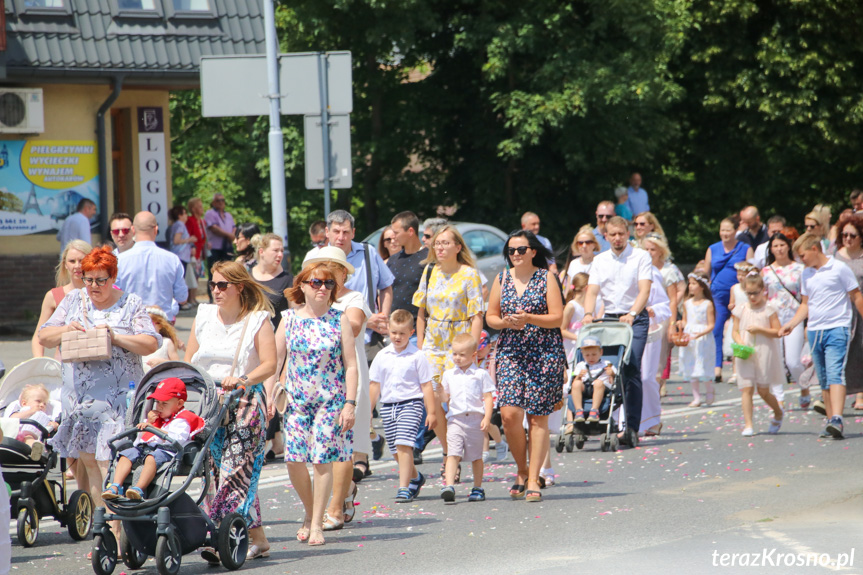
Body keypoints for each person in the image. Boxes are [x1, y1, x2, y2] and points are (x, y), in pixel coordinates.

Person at [38, 246, 161, 507]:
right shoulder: (73, 300)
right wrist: (65, 329)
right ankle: (102, 529)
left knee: (110, 465)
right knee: (91, 464)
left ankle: (120, 538)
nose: (93, 285)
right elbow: (44, 336)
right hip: (81, 402)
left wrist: (116, 337)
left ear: (113, 278)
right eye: (88, 278)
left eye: (100, 280)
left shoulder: (131, 303)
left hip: (116, 402)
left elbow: (151, 343)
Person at [186, 260, 277, 561]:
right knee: (215, 472)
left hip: (245, 403)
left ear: (239, 287)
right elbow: (190, 362)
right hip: (210, 403)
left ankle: (218, 539)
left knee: (233, 472)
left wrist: (242, 379)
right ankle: (258, 539)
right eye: (212, 284)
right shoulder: (203, 316)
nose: (216, 290)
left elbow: (269, 364)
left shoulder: (256, 320)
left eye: (222, 285)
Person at [278, 263, 358, 547]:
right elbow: (275, 363)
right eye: (316, 283)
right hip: (297, 401)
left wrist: (349, 403)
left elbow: (350, 365)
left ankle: (315, 525)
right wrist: (269, 396)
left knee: (321, 459)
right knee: (293, 459)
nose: (322, 288)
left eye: (328, 284)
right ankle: (312, 511)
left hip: (331, 402)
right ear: (302, 286)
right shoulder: (287, 319)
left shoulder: (340, 319)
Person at [486, 230, 565, 502]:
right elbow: (491, 317)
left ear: (533, 251)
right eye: (511, 250)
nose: (516, 254)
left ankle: (533, 478)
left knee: (537, 417)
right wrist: (506, 322)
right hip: (510, 352)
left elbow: (557, 318)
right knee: (509, 415)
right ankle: (521, 469)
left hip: (544, 352)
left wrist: (529, 317)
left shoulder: (547, 278)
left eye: (521, 249)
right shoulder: (502, 278)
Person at [296, 247, 369, 529]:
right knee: (311, 452)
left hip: (346, 377)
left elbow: (354, 324)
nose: (324, 276)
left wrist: (324, 313)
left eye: (331, 269)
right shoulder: (306, 302)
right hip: (309, 382)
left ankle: (336, 508)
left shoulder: (351, 298)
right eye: (317, 270)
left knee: (340, 446)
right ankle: (337, 496)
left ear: (342, 273)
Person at [413, 225, 484, 470]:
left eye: (445, 243)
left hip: (459, 342)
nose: (440, 247)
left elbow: (476, 315)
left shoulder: (469, 274)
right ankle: (448, 450)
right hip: (433, 343)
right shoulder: (430, 271)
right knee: (431, 396)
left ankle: (464, 448)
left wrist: (472, 351)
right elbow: (421, 312)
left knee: (454, 399)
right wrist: (421, 346)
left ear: (457, 247)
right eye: (437, 243)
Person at [779, 232, 863, 439]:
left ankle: (837, 418)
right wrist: (792, 324)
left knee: (836, 372)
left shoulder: (839, 269)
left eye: (803, 255)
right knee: (823, 377)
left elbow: (856, 296)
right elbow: (805, 305)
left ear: (815, 249)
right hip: (816, 329)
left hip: (838, 327)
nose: (801, 260)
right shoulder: (806, 274)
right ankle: (830, 421)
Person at [583, 216, 652, 447]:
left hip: (635, 318)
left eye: (621, 233)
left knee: (631, 367)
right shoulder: (600, 260)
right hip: (610, 318)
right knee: (608, 370)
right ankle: (605, 421)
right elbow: (592, 291)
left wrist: (632, 313)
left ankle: (631, 427)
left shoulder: (640, 256)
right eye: (612, 234)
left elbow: (644, 290)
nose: (617, 238)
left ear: (627, 233)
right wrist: (587, 314)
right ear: (606, 235)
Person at [368, 310, 435, 502]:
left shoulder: (417, 356)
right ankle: (416, 477)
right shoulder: (382, 355)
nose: (397, 337)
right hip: (388, 406)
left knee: (404, 445)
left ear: (411, 332)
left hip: (411, 404)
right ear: (388, 329)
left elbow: (426, 385)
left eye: (402, 333)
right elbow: (374, 384)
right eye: (394, 332)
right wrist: (369, 411)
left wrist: (431, 411)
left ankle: (404, 487)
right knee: (397, 452)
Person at [102, 378, 204, 500]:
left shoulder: (184, 419)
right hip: (146, 448)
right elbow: (139, 441)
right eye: (157, 402)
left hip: (167, 451)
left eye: (164, 403)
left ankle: (138, 488)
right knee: (126, 455)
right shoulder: (156, 418)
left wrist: (154, 428)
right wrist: (148, 423)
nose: (159, 407)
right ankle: (115, 486)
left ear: (179, 404)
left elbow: (177, 439)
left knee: (151, 458)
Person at [314, 210, 394, 358]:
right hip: (331, 339)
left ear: (353, 233)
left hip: (369, 340)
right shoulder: (317, 259)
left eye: (345, 232)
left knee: (369, 380)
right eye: (336, 231)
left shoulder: (368, 252)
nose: (340, 237)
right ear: (327, 232)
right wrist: (364, 321)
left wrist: (382, 316)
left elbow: (386, 285)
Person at [439, 333, 494, 503]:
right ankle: (449, 485)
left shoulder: (480, 374)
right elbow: (444, 398)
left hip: (475, 419)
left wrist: (487, 417)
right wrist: (438, 388)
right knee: (452, 453)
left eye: (462, 355)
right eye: (455, 353)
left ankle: (477, 487)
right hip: (455, 419)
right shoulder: (449, 374)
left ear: (473, 355)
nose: (457, 358)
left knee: (476, 456)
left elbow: (488, 397)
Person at [732, 273, 785, 436]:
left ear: (763, 290)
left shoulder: (769, 309)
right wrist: (740, 341)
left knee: (763, 390)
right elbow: (734, 331)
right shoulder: (741, 308)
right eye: (749, 293)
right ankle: (748, 424)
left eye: (755, 292)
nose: (752, 296)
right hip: (745, 351)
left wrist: (760, 329)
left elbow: (778, 332)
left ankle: (778, 412)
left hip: (764, 350)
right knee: (746, 388)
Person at [762, 229, 808, 408]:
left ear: (788, 247)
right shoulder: (766, 271)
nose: (779, 249)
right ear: (771, 249)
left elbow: (806, 296)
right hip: (773, 317)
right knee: (776, 360)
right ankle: (779, 397)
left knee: (792, 361)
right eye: (775, 246)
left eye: (782, 245)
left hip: (793, 317)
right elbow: (762, 296)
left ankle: (803, 386)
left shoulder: (800, 269)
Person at [705, 217, 754, 381]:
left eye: (728, 230)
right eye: (722, 230)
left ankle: (740, 368)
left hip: (740, 297)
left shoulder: (745, 248)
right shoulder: (712, 248)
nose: (724, 233)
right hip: (718, 296)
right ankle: (717, 368)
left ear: (735, 231)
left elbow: (753, 273)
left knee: (741, 331)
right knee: (716, 330)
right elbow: (705, 274)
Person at [115, 211, 188, 322]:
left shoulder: (120, 261)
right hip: (162, 324)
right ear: (156, 229)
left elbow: (113, 295)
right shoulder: (172, 259)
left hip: (131, 324)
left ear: (133, 230)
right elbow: (182, 298)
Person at [31, 239, 93, 357]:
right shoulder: (54, 295)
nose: (77, 266)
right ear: (65, 264)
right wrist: (39, 363)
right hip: (64, 364)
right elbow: (38, 336)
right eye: (72, 261)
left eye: (82, 260)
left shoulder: (99, 292)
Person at [639, 246, 671, 436]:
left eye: (652, 249)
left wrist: (653, 311)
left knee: (646, 377)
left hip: (649, 328)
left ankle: (652, 419)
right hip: (624, 328)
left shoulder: (653, 273)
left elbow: (664, 305)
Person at [832, 213, 863, 411]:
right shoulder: (835, 256)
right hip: (840, 310)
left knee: (860, 351)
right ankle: (831, 395)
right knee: (839, 353)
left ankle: (860, 395)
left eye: (852, 235)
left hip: (861, 308)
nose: (848, 239)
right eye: (844, 235)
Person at [677, 271, 716, 407]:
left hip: (702, 337)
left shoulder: (707, 304)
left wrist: (699, 334)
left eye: (694, 284)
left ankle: (709, 390)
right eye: (690, 284)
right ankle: (696, 397)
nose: (691, 286)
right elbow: (685, 320)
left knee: (703, 364)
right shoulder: (687, 303)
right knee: (691, 365)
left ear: (702, 286)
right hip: (690, 336)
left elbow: (711, 324)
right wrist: (681, 324)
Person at [388, 211, 429, 322]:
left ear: (410, 231)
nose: (393, 237)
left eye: (396, 232)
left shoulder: (429, 259)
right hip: (394, 329)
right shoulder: (393, 260)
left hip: (417, 327)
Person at [250, 233, 292, 329]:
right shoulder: (247, 277)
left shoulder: (288, 280)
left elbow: (294, 314)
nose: (280, 255)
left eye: (282, 251)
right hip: (250, 338)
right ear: (261, 252)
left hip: (276, 339)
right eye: (275, 250)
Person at [570, 337, 616, 423]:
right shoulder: (581, 365)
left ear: (601, 352)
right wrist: (579, 376)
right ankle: (578, 411)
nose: (591, 357)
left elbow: (613, 380)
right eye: (587, 355)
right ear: (582, 354)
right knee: (576, 383)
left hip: (602, 388)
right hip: (585, 388)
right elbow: (574, 380)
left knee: (598, 383)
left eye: (594, 354)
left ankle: (594, 411)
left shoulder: (607, 363)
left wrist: (611, 374)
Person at [8, 384, 58, 461]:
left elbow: (50, 424)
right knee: (28, 435)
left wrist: (54, 424)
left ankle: (35, 448)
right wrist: (30, 411)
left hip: (32, 437)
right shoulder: (22, 411)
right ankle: (34, 447)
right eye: (38, 401)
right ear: (24, 403)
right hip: (15, 436)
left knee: (30, 435)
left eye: (45, 403)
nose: (42, 405)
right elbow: (11, 419)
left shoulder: (44, 415)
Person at [205, 194, 236, 301]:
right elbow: (214, 228)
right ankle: (213, 297)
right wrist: (229, 235)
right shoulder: (210, 213)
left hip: (227, 247)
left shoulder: (228, 215)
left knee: (228, 273)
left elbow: (233, 228)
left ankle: (228, 295)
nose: (221, 202)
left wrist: (232, 235)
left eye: (223, 200)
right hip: (215, 248)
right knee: (213, 273)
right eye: (218, 200)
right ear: (213, 202)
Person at [168, 205, 197, 311]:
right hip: (180, 255)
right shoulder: (180, 225)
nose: (186, 216)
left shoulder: (175, 224)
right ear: (180, 215)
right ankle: (180, 303)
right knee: (180, 279)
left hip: (179, 255)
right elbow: (176, 240)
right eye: (184, 213)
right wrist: (190, 239)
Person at [142, 306, 181, 372]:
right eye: (143, 324)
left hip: (162, 379)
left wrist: (163, 362)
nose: (146, 328)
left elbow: (177, 364)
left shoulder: (166, 342)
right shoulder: (140, 343)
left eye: (150, 324)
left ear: (160, 325)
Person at [185, 197, 208, 302]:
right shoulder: (190, 220)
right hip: (192, 253)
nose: (202, 208)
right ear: (193, 209)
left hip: (200, 254)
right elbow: (187, 235)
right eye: (199, 206)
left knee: (197, 275)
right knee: (191, 276)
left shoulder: (202, 222)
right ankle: (190, 298)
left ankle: (193, 298)